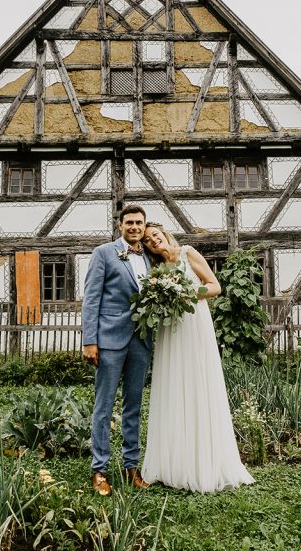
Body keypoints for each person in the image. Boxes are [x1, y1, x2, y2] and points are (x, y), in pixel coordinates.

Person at [140, 223, 254, 492]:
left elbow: (215, 287)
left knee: (198, 383)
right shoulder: (156, 270)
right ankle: (171, 462)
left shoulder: (188, 253)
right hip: (170, 330)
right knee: (172, 386)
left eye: (155, 235)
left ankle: (204, 461)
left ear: (164, 234)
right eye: (147, 240)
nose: (153, 240)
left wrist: (186, 293)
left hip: (195, 323)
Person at [81, 205, 153, 496]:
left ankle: (130, 466)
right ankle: (99, 470)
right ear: (120, 225)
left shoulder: (149, 257)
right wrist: (90, 340)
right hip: (109, 339)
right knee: (104, 406)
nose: (134, 227)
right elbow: (91, 298)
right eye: (129, 222)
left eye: (139, 223)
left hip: (141, 339)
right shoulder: (104, 253)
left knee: (133, 405)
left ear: (144, 226)